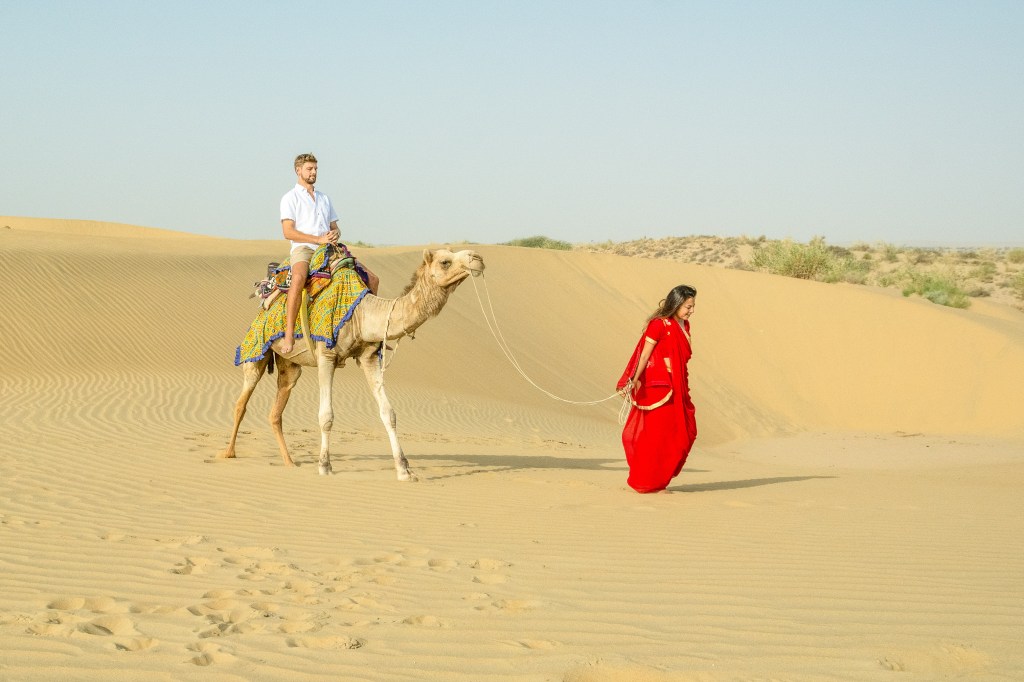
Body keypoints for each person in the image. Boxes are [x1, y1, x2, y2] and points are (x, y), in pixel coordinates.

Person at [279, 153, 379, 354]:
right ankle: (289, 334)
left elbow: (335, 227)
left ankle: (369, 332)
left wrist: (334, 233)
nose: (313, 172)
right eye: (309, 169)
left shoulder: (324, 198)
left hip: (329, 248)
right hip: (304, 248)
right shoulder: (290, 198)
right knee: (298, 278)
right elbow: (287, 232)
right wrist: (317, 239)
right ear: (298, 170)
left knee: (372, 279)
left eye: (315, 169)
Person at [616, 285, 698, 493]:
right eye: (688, 306)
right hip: (660, 389)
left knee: (683, 433)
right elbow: (644, 355)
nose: (691, 310)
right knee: (656, 436)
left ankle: (659, 480)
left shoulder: (684, 325)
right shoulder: (659, 325)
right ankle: (646, 481)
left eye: (693, 306)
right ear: (677, 303)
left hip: (679, 388)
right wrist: (633, 379)